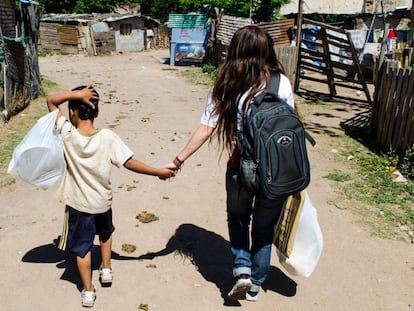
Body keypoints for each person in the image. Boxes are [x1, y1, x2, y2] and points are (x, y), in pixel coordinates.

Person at [166, 25, 295, 302]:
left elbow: (206, 128)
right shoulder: (280, 82)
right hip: (276, 170)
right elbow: (289, 131)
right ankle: (256, 284)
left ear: (235, 50)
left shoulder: (226, 83)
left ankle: (242, 268)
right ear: (267, 50)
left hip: (240, 164)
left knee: (238, 219)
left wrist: (178, 160)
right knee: (263, 227)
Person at [47, 86, 175, 307]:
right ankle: (106, 268)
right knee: (105, 234)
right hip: (102, 202)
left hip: (79, 205)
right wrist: (157, 172)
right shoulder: (107, 137)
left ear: (72, 113)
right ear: (97, 112)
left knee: (82, 248)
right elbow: (129, 162)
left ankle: (87, 291)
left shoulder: (67, 134)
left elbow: (51, 101)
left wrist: (76, 95)